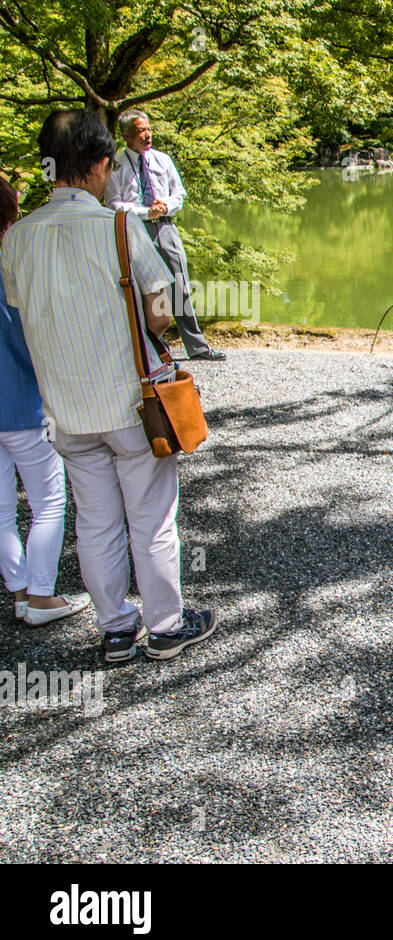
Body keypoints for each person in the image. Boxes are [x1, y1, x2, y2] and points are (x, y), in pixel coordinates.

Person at [1, 109, 217, 662]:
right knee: (150, 517)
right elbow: (162, 310)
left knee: (95, 522)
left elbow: (27, 313)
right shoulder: (120, 228)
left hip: (66, 412)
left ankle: (117, 629)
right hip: (131, 403)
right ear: (101, 164)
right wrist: (148, 321)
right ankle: (166, 625)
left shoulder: (17, 240)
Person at [0, 174, 91, 628]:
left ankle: (18, 591)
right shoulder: (17, 259)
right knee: (49, 501)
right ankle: (40, 596)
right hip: (22, 404)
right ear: (11, 212)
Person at [105, 109, 225, 361]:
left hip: (165, 226)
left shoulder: (163, 160)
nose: (147, 135)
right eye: (140, 131)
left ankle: (198, 347)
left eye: (148, 129)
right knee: (140, 287)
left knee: (179, 284)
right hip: (134, 229)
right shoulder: (116, 165)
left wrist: (164, 207)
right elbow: (113, 204)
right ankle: (152, 347)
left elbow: (178, 194)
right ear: (126, 135)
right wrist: (144, 212)